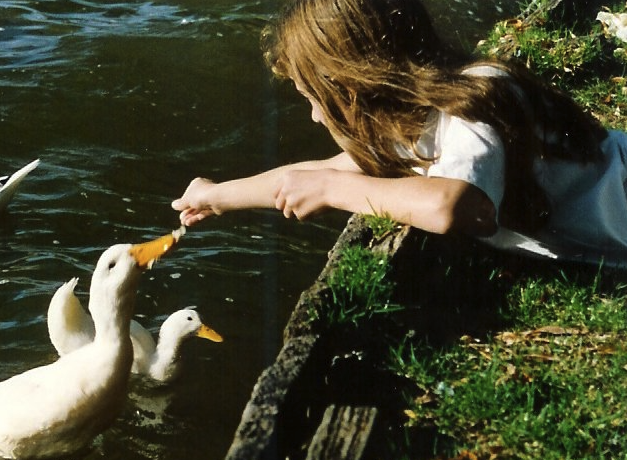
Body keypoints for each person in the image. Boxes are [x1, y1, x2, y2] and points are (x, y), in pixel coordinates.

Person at [171, 0, 627, 261]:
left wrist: (332, 189)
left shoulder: (476, 98)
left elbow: (459, 207)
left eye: (312, 99)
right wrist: (215, 196)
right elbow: (313, 171)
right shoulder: (419, 118)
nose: (313, 116)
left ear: (350, 83)